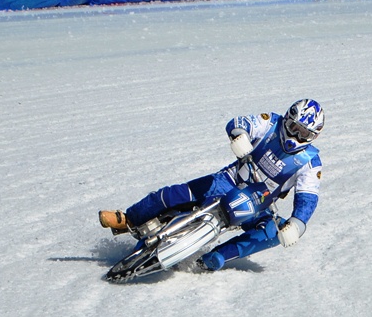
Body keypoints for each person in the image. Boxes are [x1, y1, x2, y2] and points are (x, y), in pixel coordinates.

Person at [98, 99, 325, 271]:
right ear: (287, 119)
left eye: (304, 134)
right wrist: (239, 135)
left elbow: (308, 197)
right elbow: (241, 122)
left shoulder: (310, 162)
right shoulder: (270, 123)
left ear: (313, 136)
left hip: (259, 204)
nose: (295, 136)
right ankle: (129, 218)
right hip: (228, 182)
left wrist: (297, 224)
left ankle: (215, 258)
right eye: (294, 127)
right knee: (178, 194)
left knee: (272, 233)